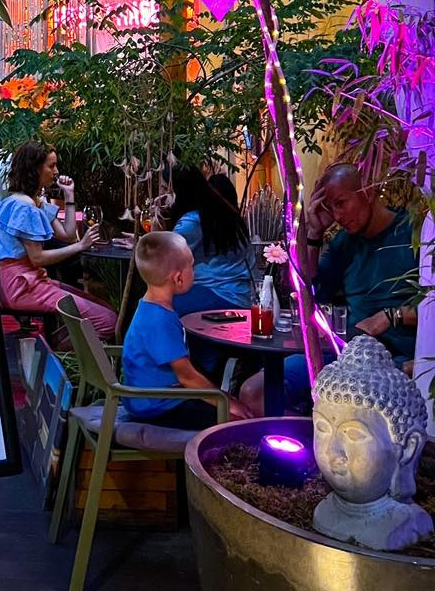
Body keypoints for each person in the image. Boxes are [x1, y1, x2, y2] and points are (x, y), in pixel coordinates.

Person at [239, 162, 418, 416]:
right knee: (254, 393)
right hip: (347, 352)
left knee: (357, 404)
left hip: (401, 357)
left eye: (341, 203)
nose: (337, 215)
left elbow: (430, 305)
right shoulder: (344, 243)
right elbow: (310, 293)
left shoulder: (413, 234)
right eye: (330, 207)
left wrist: (391, 316)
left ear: (367, 192)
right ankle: (316, 437)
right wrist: (314, 233)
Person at [122, 231, 249, 429]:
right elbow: (187, 376)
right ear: (179, 278)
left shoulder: (148, 308)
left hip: (150, 399)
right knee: (240, 423)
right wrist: (228, 403)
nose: (195, 270)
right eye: (192, 265)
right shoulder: (161, 320)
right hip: (158, 406)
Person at [0, 141, 116, 339]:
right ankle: (56, 351)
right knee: (107, 321)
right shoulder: (24, 207)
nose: (56, 172)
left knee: (105, 309)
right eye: (51, 166)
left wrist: (69, 195)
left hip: (33, 279)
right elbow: (37, 258)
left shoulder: (35, 201)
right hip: (22, 286)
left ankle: (52, 345)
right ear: (35, 169)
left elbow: (67, 234)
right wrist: (80, 246)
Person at [163, 166, 255, 315]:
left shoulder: (192, 222)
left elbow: (165, 256)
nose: (162, 195)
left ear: (177, 191)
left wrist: (150, 238)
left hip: (215, 294)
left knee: (158, 304)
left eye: (165, 189)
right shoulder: (224, 212)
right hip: (241, 295)